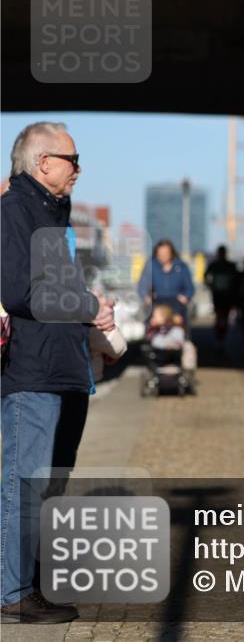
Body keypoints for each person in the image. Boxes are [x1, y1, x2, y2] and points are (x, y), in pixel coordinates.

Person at [1, 121, 116, 623]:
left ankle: (35, 586)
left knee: (49, 489)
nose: (79, 169)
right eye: (72, 159)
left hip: (66, 372)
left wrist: (94, 315)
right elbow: (20, 292)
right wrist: (89, 305)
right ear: (43, 162)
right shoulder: (13, 212)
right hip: (32, 373)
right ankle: (12, 595)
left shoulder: (53, 215)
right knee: (23, 485)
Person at [137, 239, 194, 323]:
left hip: (177, 301)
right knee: (152, 319)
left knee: (179, 321)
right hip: (157, 300)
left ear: (171, 253)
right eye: (160, 253)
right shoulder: (151, 265)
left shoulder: (181, 266)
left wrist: (187, 296)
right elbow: (142, 285)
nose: (163, 255)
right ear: (156, 253)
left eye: (166, 252)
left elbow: (189, 286)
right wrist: (146, 297)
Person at [204, 245, 240, 346]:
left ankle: (221, 338)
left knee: (224, 317)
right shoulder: (215, 265)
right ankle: (219, 338)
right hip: (218, 296)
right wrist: (211, 286)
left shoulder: (230, 266)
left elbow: (237, 280)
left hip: (227, 297)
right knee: (220, 317)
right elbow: (206, 276)